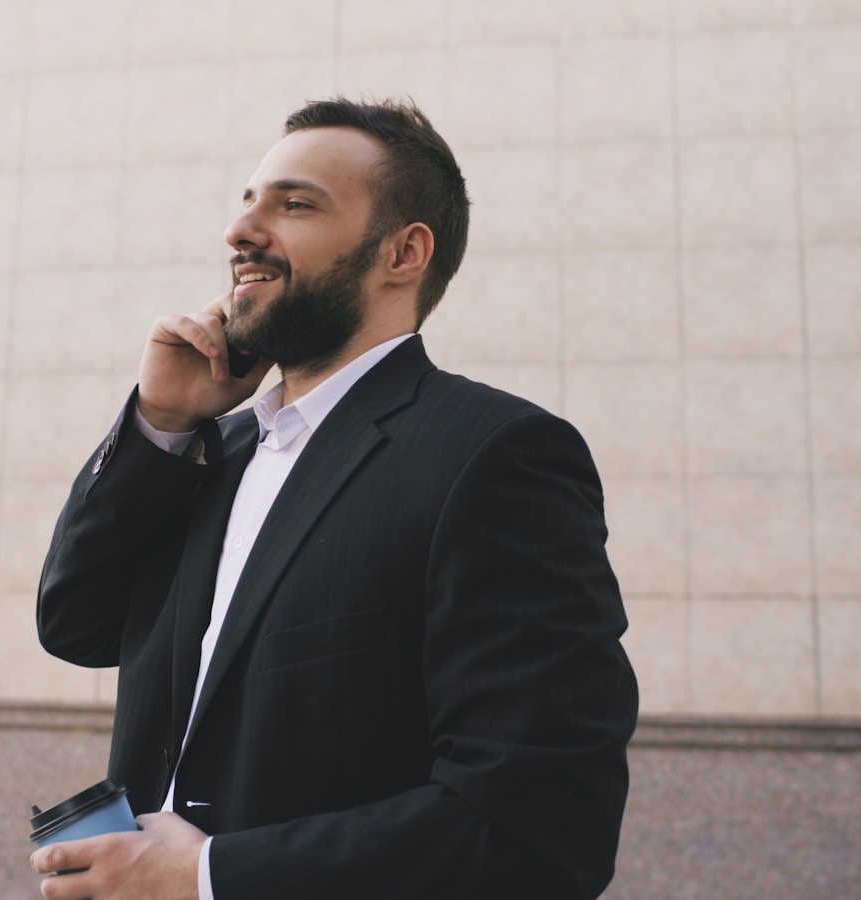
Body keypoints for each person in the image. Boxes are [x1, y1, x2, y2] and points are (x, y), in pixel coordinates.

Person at [31, 97, 638, 899]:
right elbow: (75, 622)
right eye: (247, 202)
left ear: (403, 253)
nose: (241, 232)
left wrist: (209, 876)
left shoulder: (494, 456)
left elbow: (537, 831)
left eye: (295, 204)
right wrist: (162, 422)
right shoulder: (214, 451)